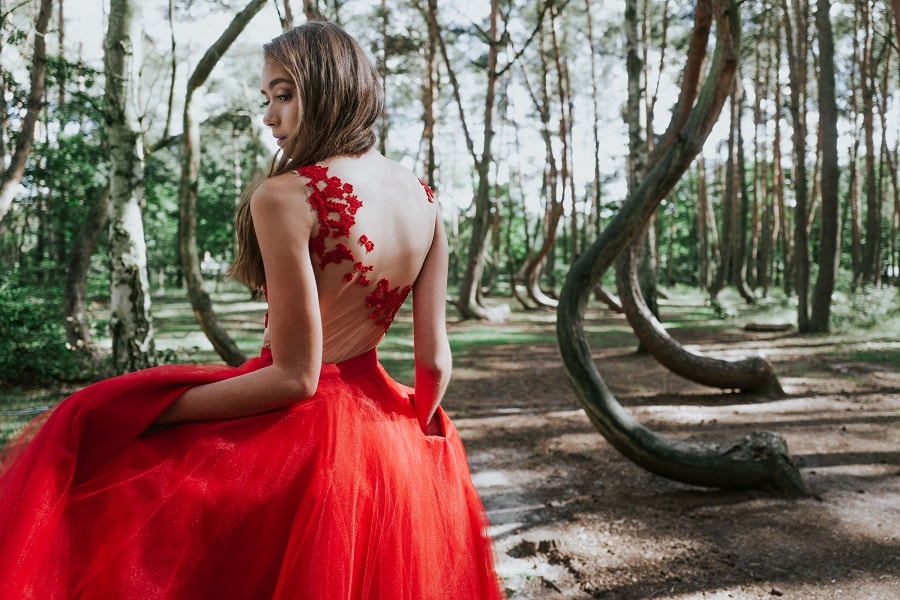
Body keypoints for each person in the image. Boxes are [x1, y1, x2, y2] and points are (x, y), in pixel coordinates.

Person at [0, 22, 505, 599]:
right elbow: (435, 363)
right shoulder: (426, 198)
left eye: (284, 95)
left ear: (331, 87)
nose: (270, 117)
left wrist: (159, 410)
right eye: (267, 98)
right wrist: (409, 441)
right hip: (387, 425)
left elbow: (295, 378)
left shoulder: (288, 195)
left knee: (107, 471)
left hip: (305, 430)